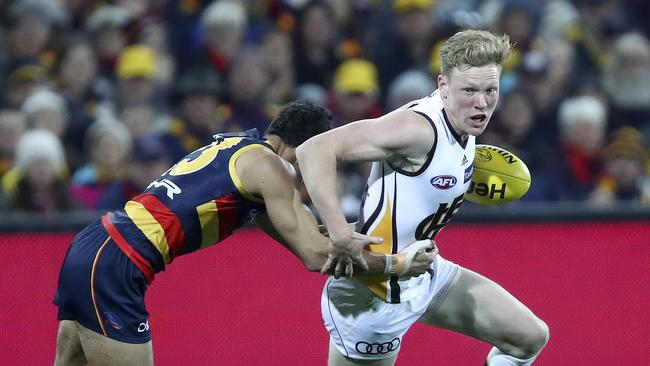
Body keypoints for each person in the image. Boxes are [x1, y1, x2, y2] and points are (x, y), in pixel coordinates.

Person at [53, 100, 435, 365]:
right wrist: (397, 264)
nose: (310, 175)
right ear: (304, 147)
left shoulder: (240, 150)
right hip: (117, 262)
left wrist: (380, 228)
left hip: (97, 244)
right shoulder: (273, 169)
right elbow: (319, 257)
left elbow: (311, 241)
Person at [296, 30, 549, 365]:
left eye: (491, 90)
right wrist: (339, 230)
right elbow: (314, 149)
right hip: (375, 293)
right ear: (443, 86)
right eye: (469, 90)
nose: (482, 102)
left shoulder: (463, 124)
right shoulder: (417, 129)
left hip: (422, 272)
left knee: (528, 337)